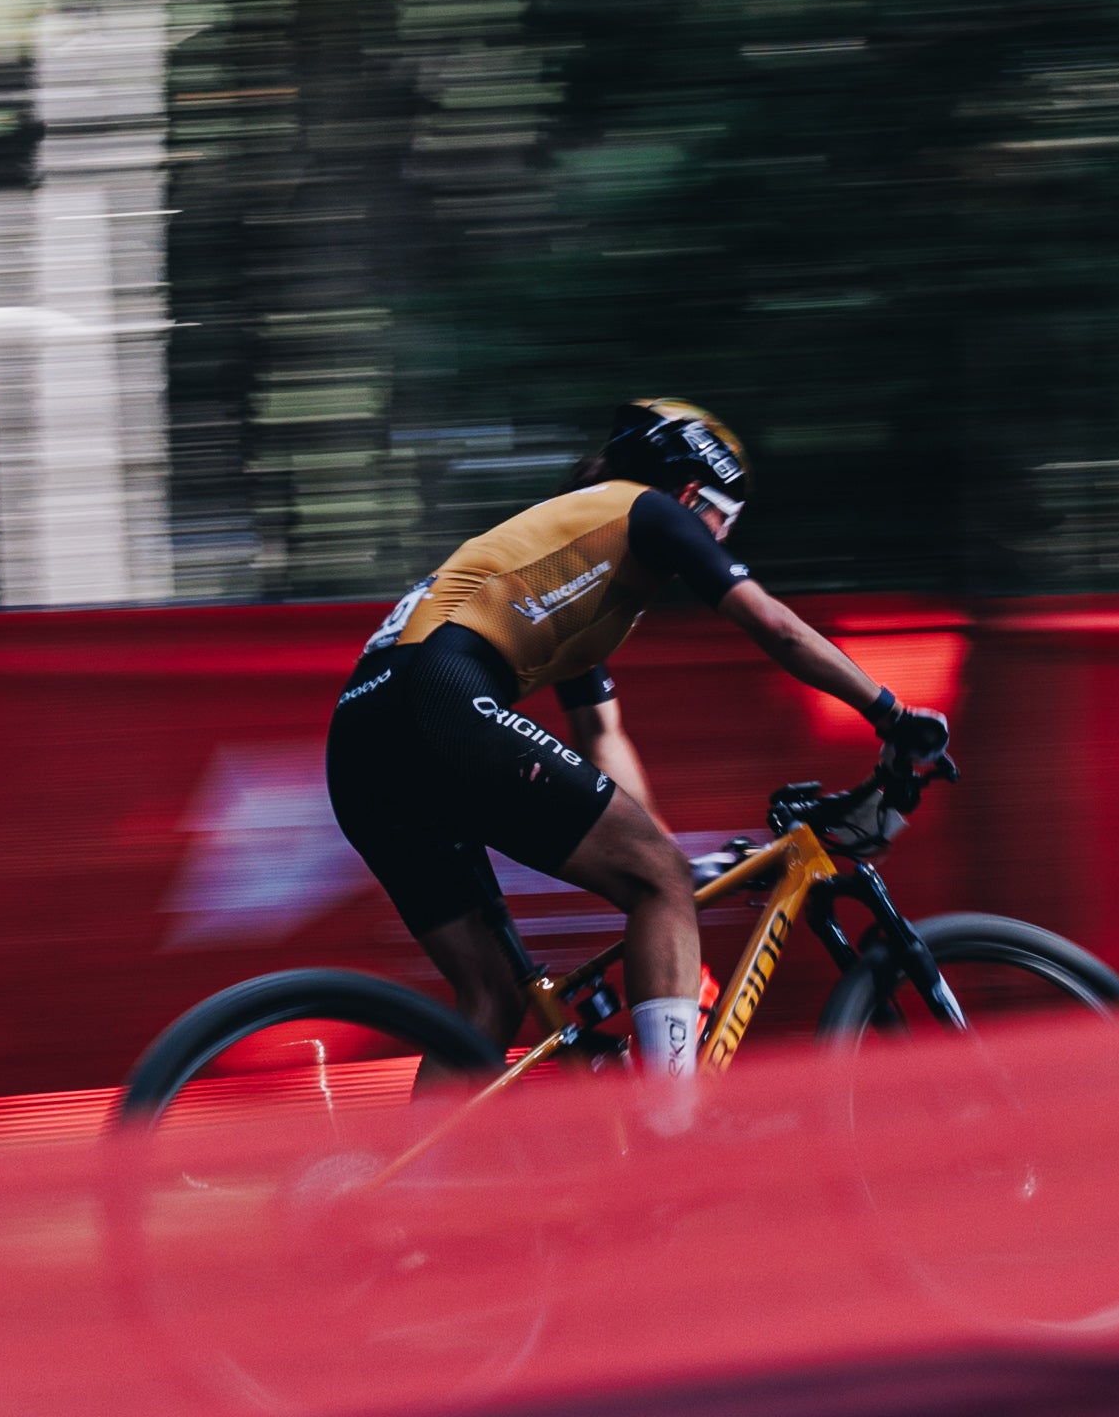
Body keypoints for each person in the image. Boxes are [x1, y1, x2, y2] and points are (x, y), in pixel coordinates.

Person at [324, 398, 948, 1124]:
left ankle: (404, 1199)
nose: (716, 537)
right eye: (721, 517)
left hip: (363, 736)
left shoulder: (582, 559)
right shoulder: (649, 510)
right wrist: (893, 715)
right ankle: (672, 1128)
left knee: (491, 994)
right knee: (656, 879)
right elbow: (775, 627)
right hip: (438, 698)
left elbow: (602, 737)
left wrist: (670, 878)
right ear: (692, 493)